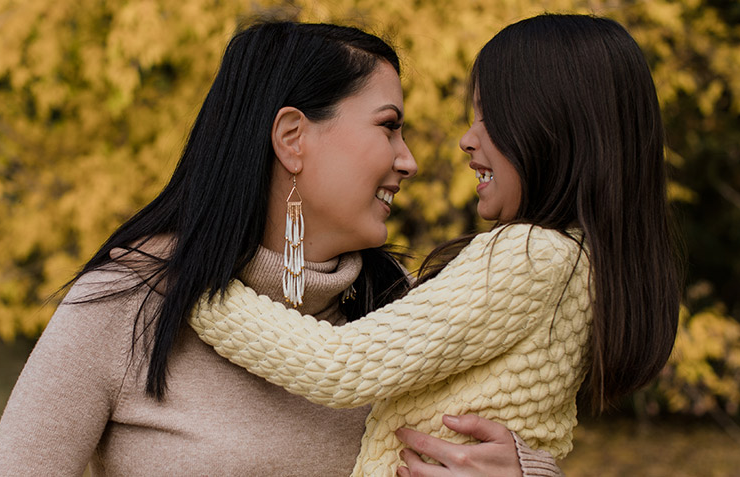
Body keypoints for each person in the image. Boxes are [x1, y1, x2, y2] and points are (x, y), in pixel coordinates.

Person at [0, 20, 558, 476]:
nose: (408, 160)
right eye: (388, 126)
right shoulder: (127, 300)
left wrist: (529, 474)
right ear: (292, 138)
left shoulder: (405, 310)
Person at [189, 13, 682, 477]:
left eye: (490, 117)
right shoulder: (581, 267)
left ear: (554, 129)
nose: (466, 140)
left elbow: (337, 365)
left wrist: (194, 281)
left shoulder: (529, 255)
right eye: (388, 126)